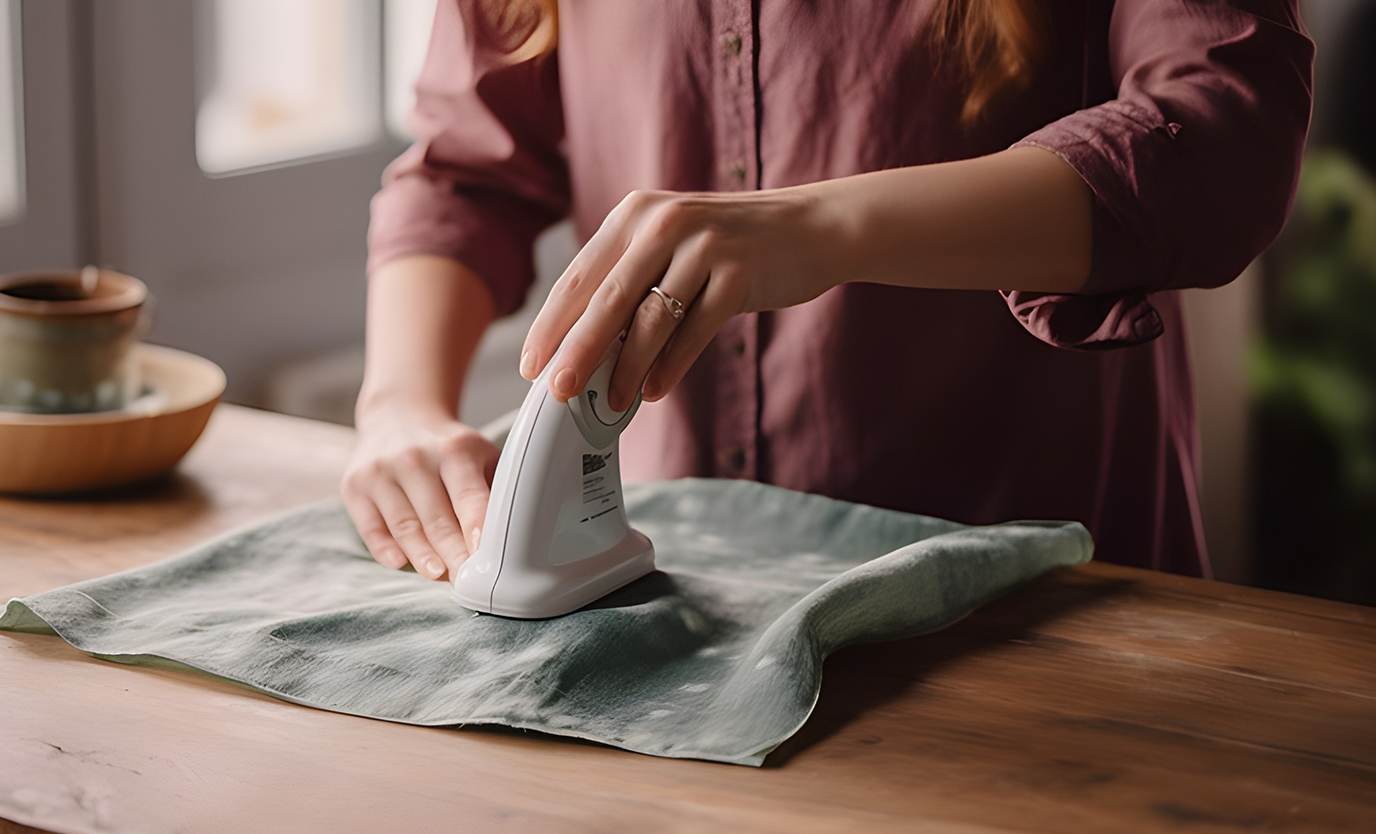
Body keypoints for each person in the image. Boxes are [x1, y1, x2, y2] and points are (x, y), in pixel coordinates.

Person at [344, 0, 1313, 582]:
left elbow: (1223, 139)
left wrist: (824, 228)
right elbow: (465, 175)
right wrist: (397, 408)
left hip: (1042, 592)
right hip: (683, 595)